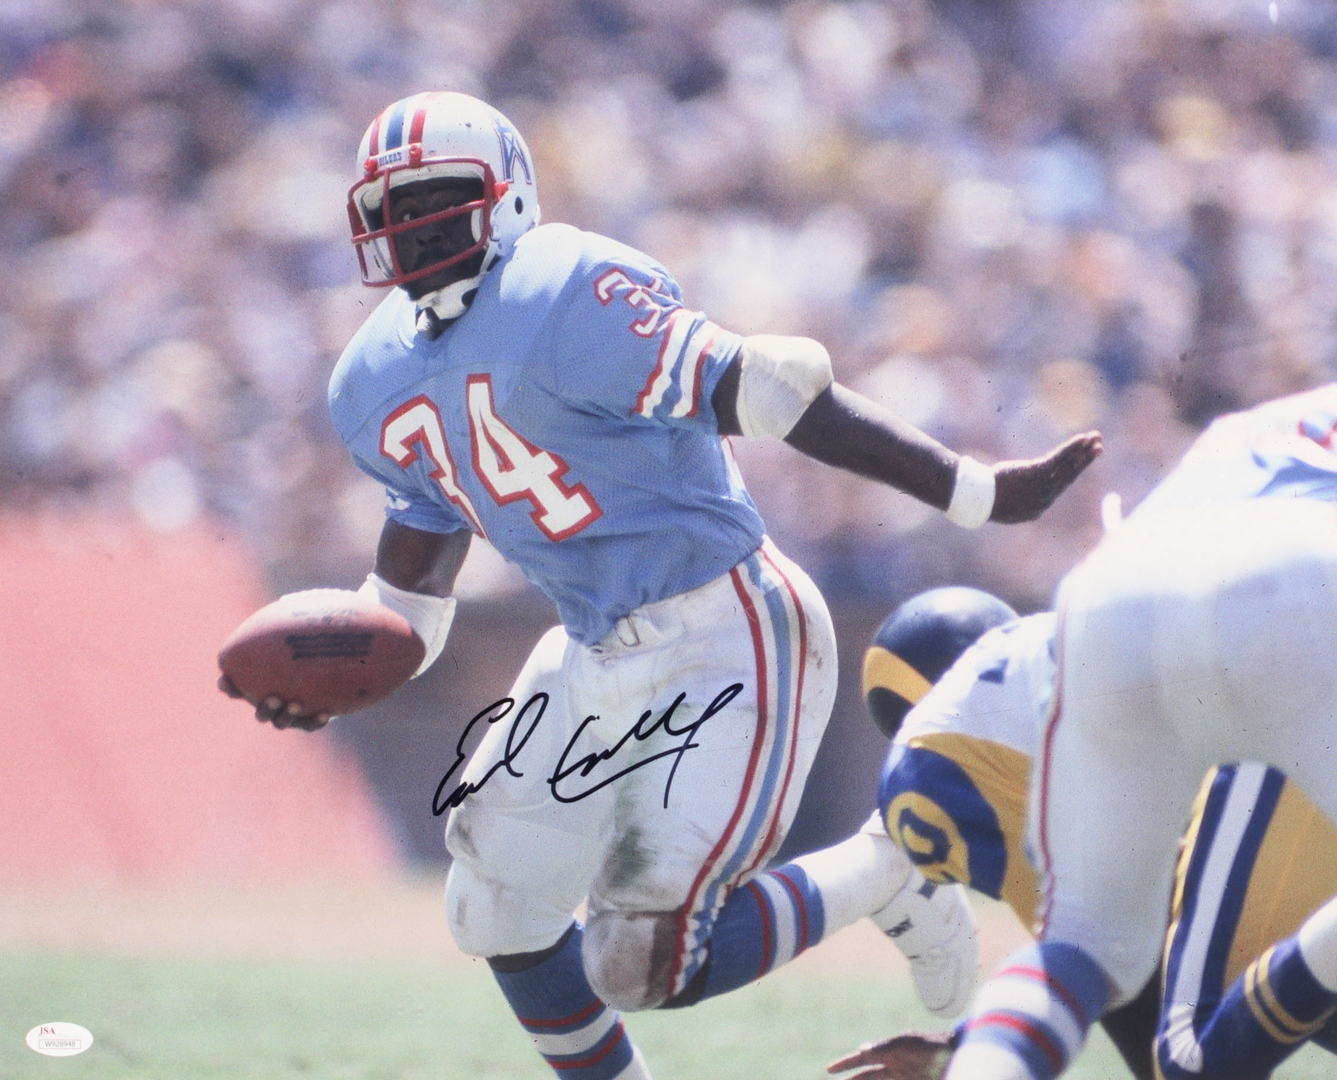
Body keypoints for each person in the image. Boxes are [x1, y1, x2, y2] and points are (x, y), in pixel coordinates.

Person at [220, 91, 1099, 1080]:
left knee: (638, 962)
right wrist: (340, 671)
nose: (412, 224)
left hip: (726, 632)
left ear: (507, 196)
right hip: (590, 649)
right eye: (392, 207)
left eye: (436, 197)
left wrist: (973, 490)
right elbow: (410, 600)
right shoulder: (370, 376)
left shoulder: (565, 288)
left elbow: (774, 392)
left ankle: (888, 866)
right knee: (492, 910)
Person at [938, 382, 1337, 1080]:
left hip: (1114, 593)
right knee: (1195, 1052)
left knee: (1080, 948)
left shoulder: (1258, 420)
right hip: (1306, 581)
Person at [830, 585, 1337, 1080]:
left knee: (1191, 1050)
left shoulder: (937, 760)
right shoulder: (1064, 641)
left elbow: (1095, 948)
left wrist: (984, 1046)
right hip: (1298, 676)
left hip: (1289, 706)